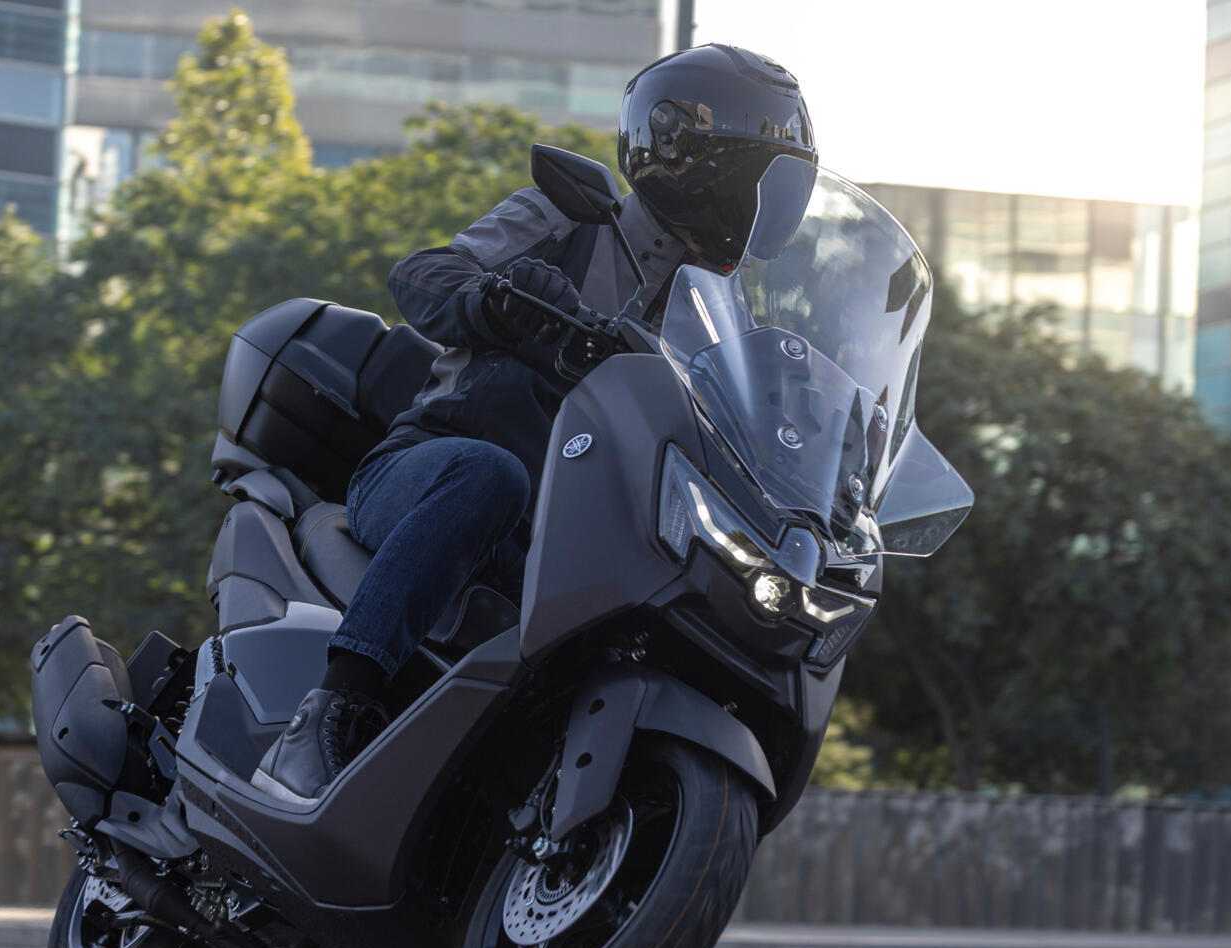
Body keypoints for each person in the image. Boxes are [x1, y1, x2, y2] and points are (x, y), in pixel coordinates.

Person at [256, 43, 818, 798]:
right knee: (493, 474)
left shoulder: (722, 323)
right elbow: (422, 274)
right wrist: (494, 303)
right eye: (761, 179)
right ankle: (325, 714)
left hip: (559, 538)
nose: (771, 203)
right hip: (434, 470)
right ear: (698, 162)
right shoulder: (565, 219)